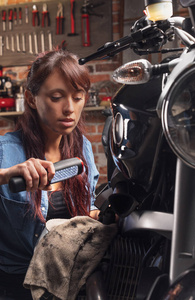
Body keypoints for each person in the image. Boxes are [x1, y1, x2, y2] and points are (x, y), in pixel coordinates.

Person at [0, 49, 99, 299]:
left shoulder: (83, 148)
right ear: (31, 99)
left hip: (68, 281)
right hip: (16, 285)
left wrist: (102, 215)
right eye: (56, 97)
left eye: (78, 97)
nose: (70, 109)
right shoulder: (6, 150)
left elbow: (89, 207)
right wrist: (6, 174)